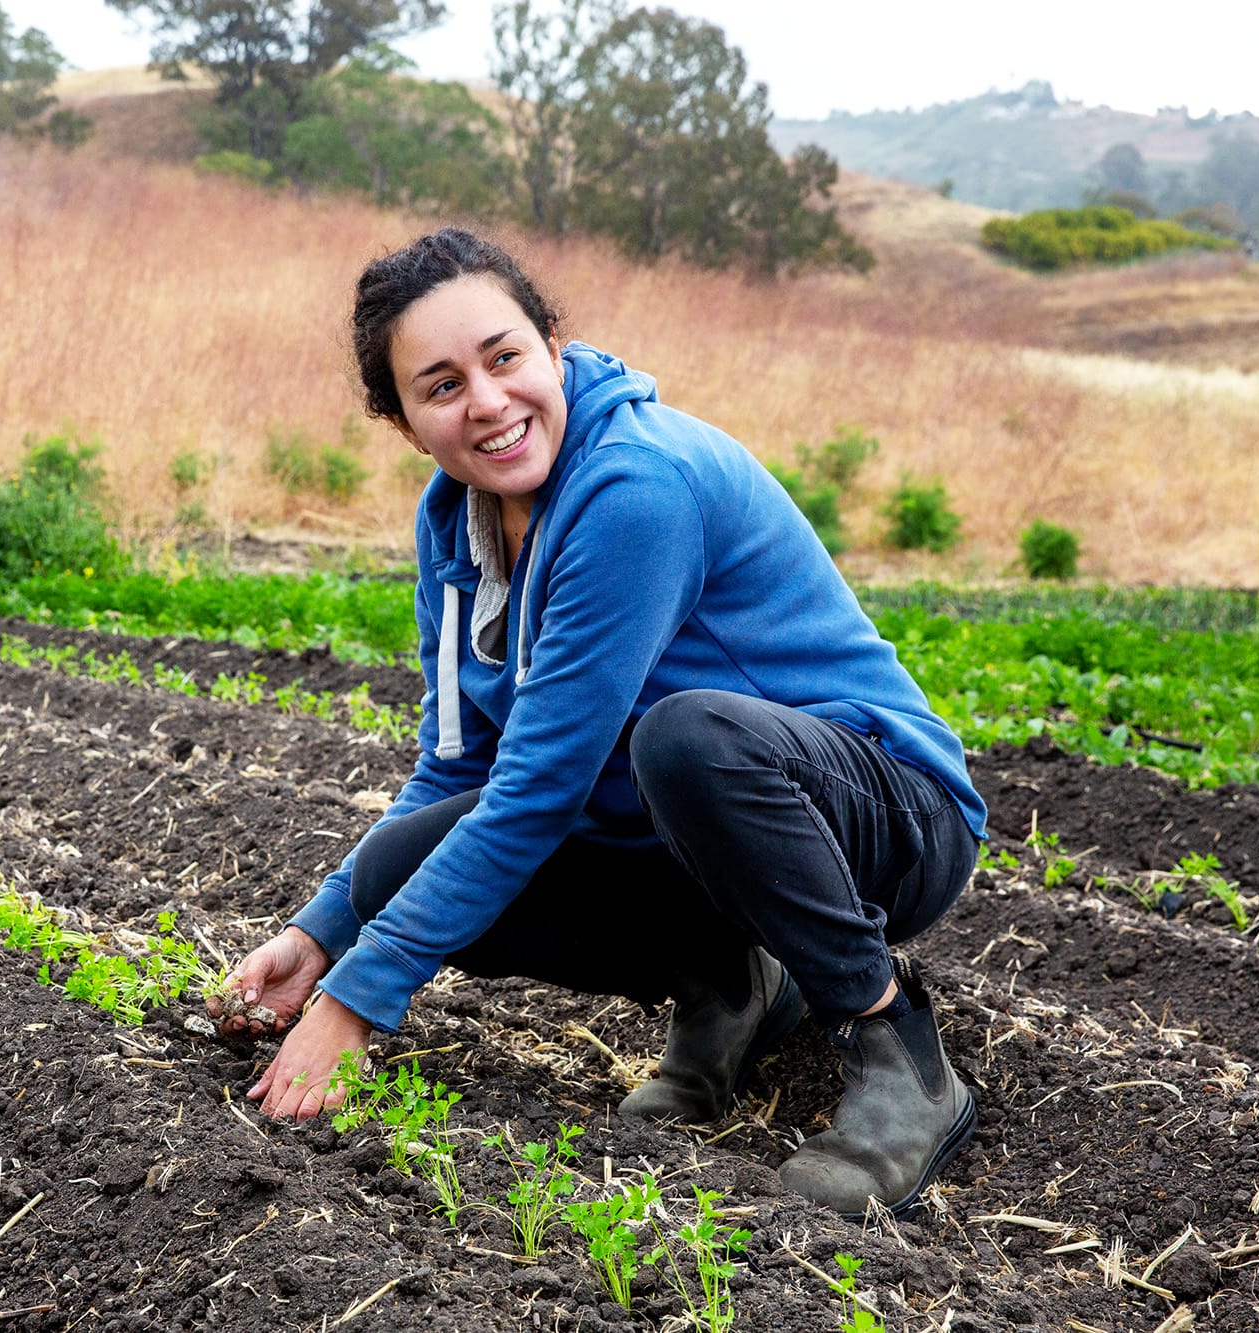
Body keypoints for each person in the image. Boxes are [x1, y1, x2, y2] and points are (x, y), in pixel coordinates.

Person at [211, 228, 988, 1218]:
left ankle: (891, 1046)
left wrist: (358, 1001)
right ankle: (728, 986)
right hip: (702, 839)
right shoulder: (454, 518)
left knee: (686, 737)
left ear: (549, 348)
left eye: (504, 357)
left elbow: (535, 791)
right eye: (440, 385)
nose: (488, 402)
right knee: (391, 867)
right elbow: (458, 767)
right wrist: (324, 933)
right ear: (406, 422)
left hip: (882, 816)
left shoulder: (633, 488)